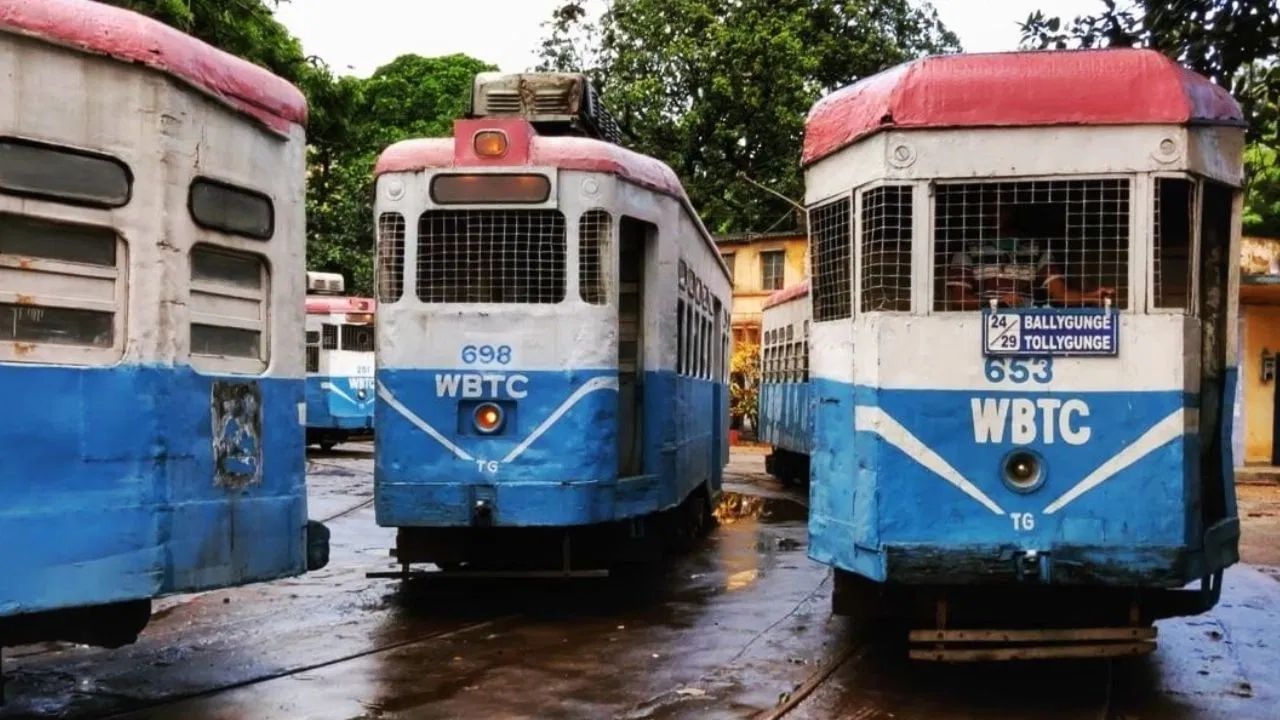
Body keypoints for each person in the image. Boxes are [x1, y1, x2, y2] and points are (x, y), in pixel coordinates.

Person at [943, 205, 1114, 310]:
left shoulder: (1035, 249)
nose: (997, 211)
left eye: (1003, 206)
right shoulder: (968, 249)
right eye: (992, 205)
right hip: (980, 326)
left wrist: (1092, 296)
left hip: (1025, 323)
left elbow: (1059, 293)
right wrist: (997, 302)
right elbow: (959, 299)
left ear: (1013, 210)